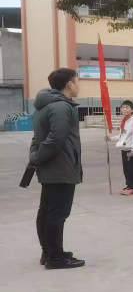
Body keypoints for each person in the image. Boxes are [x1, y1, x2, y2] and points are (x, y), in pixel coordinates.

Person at [31, 68, 85, 269]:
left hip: (52, 167)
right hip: (61, 168)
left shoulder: (44, 105)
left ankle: (49, 251)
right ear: (70, 84)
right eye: (77, 81)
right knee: (57, 214)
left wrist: (36, 157)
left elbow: (37, 138)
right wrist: (37, 158)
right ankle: (55, 257)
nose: (78, 85)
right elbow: (55, 139)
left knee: (46, 211)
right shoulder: (61, 107)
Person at [108, 100, 133, 195]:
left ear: (132, 110)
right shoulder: (124, 122)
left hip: (132, 149)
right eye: (123, 107)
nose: (124, 109)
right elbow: (122, 136)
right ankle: (129, 185)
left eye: (127, 107)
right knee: (126, 169)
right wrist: (111, 138)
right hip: (125, 148)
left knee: (132, 168)